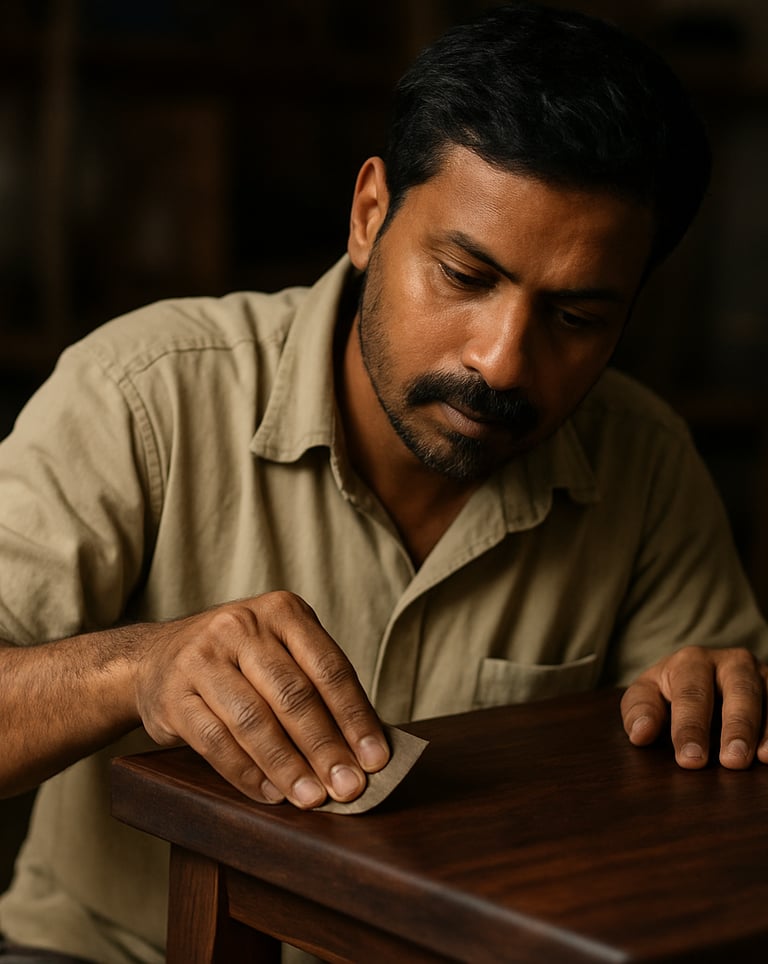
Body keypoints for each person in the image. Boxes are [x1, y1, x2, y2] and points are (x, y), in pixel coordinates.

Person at [1, 2, 767, 962]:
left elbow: (715, 761)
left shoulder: (645, 460)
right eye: (463, 275)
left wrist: (724, 702)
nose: (500, 362)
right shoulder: (142, 396)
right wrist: (136, 667)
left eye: (574, 318)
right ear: (370, 215)